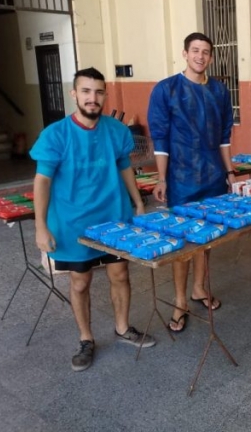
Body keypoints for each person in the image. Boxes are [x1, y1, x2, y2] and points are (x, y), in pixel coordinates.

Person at [31, 67, 156, 372]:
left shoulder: (116, 130)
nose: (93, 98)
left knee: (120, 275)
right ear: (74, 94)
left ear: (104, 95)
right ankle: (86, 338)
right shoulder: (56, 134)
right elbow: (42, 182)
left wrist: (138, 202)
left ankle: (123, 328)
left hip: (114, 219)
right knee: (80, 281)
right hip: (73, 223)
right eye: (86, 91)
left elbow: (125, 166)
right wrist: (40, 226)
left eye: (99, 92)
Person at [148, 32, 235, 333]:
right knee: (181, 241)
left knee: (206, 238)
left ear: (211, 57)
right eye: (195, 50)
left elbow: (224, 138)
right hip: (181, 177)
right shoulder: (166, 90)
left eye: (206, 52)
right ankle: (180, 300)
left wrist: (230, 172)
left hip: (212, 176)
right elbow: (160, 138)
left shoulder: (221, 92)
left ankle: (199, 288)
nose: (201, 56)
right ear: (185, 54)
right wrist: (162, 177)